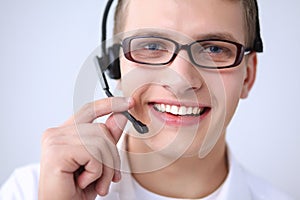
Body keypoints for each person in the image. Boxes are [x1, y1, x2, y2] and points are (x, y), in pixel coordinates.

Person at [0, 0, 294, 199]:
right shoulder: (29, 191)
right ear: (115, 66)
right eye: (152, 45)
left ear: (247, 75)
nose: (181, 82)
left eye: (214, 49)